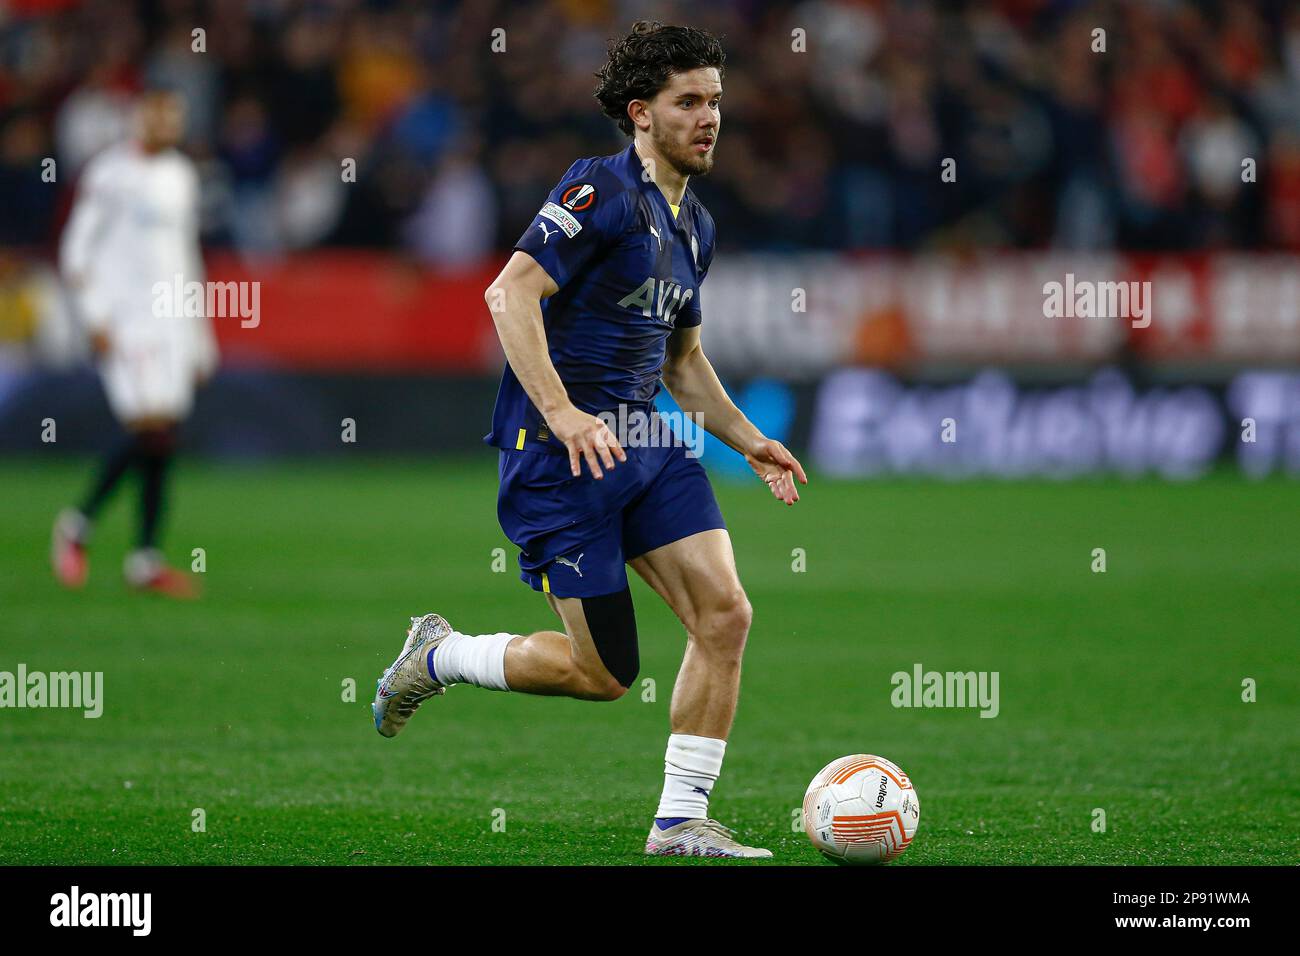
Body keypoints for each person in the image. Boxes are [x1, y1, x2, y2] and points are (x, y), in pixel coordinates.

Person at [373, 21, 806, 858]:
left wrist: (748, 439)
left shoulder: (696, 228)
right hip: (558, 456)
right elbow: (510, 295)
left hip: (648, 444)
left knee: (726, 614)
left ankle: (681, 821)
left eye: (715, 101)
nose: (709, 118)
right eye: (689, 103)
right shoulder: (596, 190)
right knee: (605, 676)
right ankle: (443, 655)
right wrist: (565, 412)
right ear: (641, 114)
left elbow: (682, 365)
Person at [51, 89, 216, 599]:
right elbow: (76, 249)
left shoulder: (181, 177)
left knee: (164, 436)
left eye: (174, 116)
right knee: (151, 429)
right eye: (158, 114)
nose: (166, 124)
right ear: (138, 117)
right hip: (127, 322)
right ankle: (77, 526)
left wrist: (199, 334)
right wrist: (94, 316)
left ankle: (143, 559)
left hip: (172, 325)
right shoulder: (109, 174)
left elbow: (186, 256)